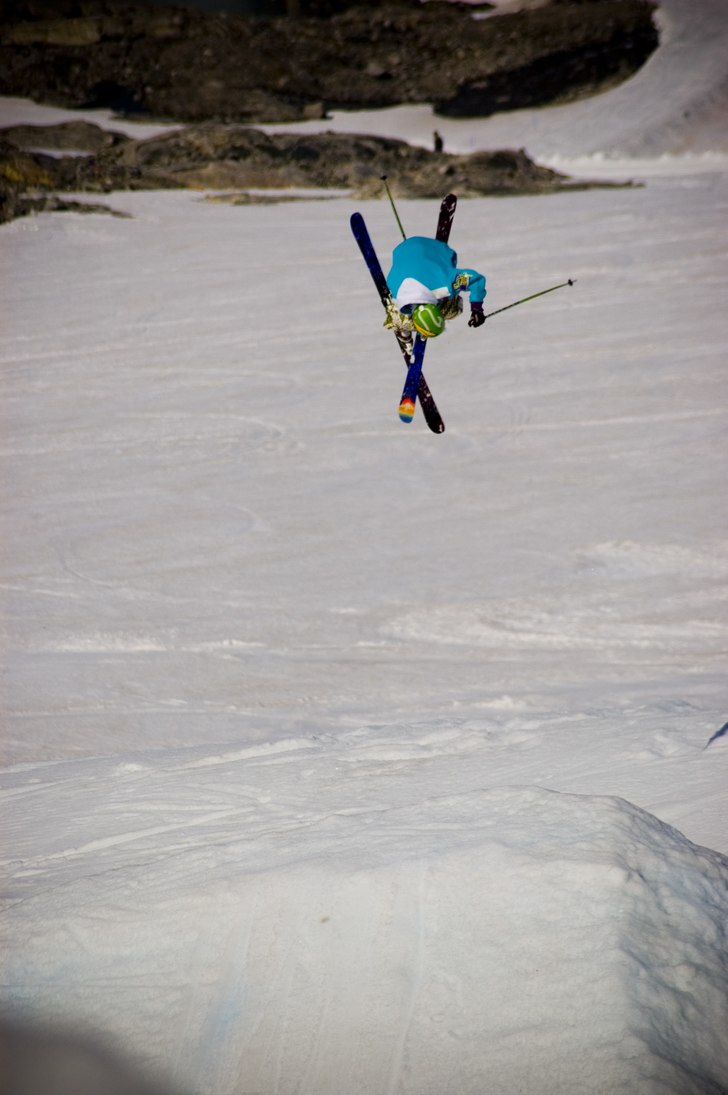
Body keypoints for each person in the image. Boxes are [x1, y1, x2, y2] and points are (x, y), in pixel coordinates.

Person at [385, 235, 486, 341]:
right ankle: (405, 328)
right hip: (406, 249)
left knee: (450, 309)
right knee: (398, 316)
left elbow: (475, 280)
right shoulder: (395, 291)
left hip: (420, 249)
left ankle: (406, 329)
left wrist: (476, 308)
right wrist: (476, 308)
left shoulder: (447, 284)